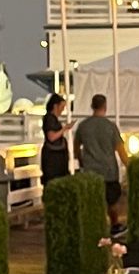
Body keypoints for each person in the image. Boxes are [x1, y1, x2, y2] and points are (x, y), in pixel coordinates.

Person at [72, 92, 123, 222]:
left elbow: (76, 148)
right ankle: (115, 225)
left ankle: (95, 226)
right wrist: (130, 165)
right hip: (109, 170)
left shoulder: (83, 126)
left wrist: (81, 161)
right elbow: (120, 150)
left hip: (91, 171)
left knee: (93, 201)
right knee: (112, 202)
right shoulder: (110, 126)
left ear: (92, 106)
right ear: (105, 106)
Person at [40, 92, 71, 186]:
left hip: (57, 157)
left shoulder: (52, 118)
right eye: (61, 107)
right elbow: (52, 137)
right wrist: (64, 129)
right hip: (53, 159)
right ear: (55, 106)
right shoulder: (50, 118)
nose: (62, 110)